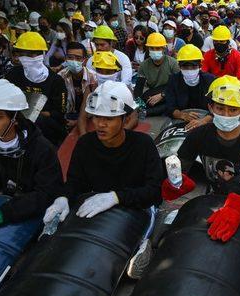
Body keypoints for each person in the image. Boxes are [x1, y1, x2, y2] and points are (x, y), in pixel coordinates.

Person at [43, 80, 163, 279]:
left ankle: (142, 244)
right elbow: (75, 182)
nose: (100, 124)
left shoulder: (143, 145)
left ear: (125, 119)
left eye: (109, 118)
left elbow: (154, 192)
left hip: (137, 207)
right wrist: (63, 198)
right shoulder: (85, 145)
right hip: (98, 206)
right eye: (97, 117)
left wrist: (117, 197)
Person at [162, 75, 240, 244]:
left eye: (233, 110)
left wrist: (238, 209)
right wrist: (175, 183)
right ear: (210, 108)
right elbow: (181, 168)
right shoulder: (198, 135)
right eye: (220, 108)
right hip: (214, 198)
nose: (226, 115)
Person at [0, 79, 62, 237]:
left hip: (38, 212)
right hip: (5, 203)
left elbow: (46, 194)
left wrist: (5, 213)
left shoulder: (42, 149)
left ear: (15, 118)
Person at [6, 32, 68, 147]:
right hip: (16, 124)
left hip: (47, 129)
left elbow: (60, 112)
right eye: (22, 54)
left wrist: (35, 114)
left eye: (31, 54)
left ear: (42, 54)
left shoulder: (56, 81)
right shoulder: (13, 74)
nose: (26, 58)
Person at [165, 44, 215, 130]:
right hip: (181, 119)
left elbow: (217, 107)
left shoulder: (210, 80)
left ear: (200, 66)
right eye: (185, 67)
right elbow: (170, 106)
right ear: (179, 66)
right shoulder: (173, 80)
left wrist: (204, 120)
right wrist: (182, 115)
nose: (189, 70)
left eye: (193, 66)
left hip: (206, 119)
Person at [134, 32, 179, 116]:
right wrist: (139, 104)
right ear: (148, 49)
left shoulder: (173, 63)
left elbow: (178, 85)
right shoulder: (144, 65)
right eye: (152, 48)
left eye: (158, 48)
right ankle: (145, 110)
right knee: (144, 98)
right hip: (153, 92)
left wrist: (162, 95)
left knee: (173, 100)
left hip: (169, 91)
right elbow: (138, 88)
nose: (155, 51)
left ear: (164, 48)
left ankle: (147, 112)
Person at [58, 42, 94, 130]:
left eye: (78, 58)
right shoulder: (60, 77)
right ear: (66, 58)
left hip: (89, 115)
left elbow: (95, 105)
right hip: (67, 115)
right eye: (70, 57)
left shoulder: (93, 78)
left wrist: (77, 122)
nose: (74, 61)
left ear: (84, 60)